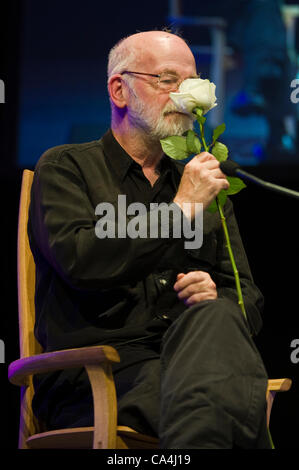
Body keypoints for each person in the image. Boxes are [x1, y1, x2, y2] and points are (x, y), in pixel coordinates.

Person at [28, 30, 270, 449]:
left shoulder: (203, 181)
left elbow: (247, 298)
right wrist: (178, 213)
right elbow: (81, 261)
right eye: (167, 80)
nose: (184, 96)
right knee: (231, 406)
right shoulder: (67, 168)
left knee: (218, 320)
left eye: (192, 82)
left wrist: (214, 297)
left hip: (189, 365)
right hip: (99, 376)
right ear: (120, 90)